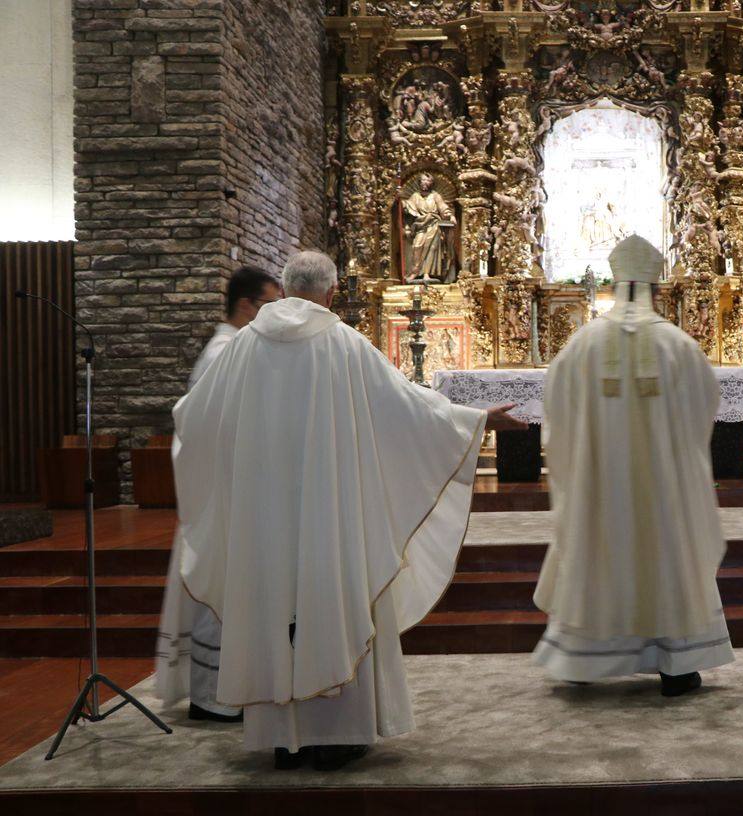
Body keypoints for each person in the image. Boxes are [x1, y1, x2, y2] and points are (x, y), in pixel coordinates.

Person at [172, 250, 525, 770]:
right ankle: (333, 735)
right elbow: (409, 410)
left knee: (275, 604)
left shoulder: (242, 347)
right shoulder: (343, 344)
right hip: (328, 515)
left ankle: (281, 738)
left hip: (264, 519)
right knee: (330, 601)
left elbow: (191, 417)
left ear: (288, 291)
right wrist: (478, 422)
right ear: (332, 292)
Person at [532, 235, 733, 697]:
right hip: (661, 486)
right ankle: (677, 665)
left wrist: (583, 457)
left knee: (593, 547)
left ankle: (581, 661)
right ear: (654, 288)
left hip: (597, 486)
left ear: (616, 283)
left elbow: (556, 413)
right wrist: (672, 450)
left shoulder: (582, 344)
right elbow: (704, 410)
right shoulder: (678, 345)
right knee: (666, 551)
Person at [155, 266, 282, 723]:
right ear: (248, 305)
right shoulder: (226, 353)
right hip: (224, 496)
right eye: (272, 303)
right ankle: (213, 698)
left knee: (230, 590)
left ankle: (225, 692)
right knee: (220, 591)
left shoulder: (232, 350)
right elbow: (214, 429)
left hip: (233, 491)